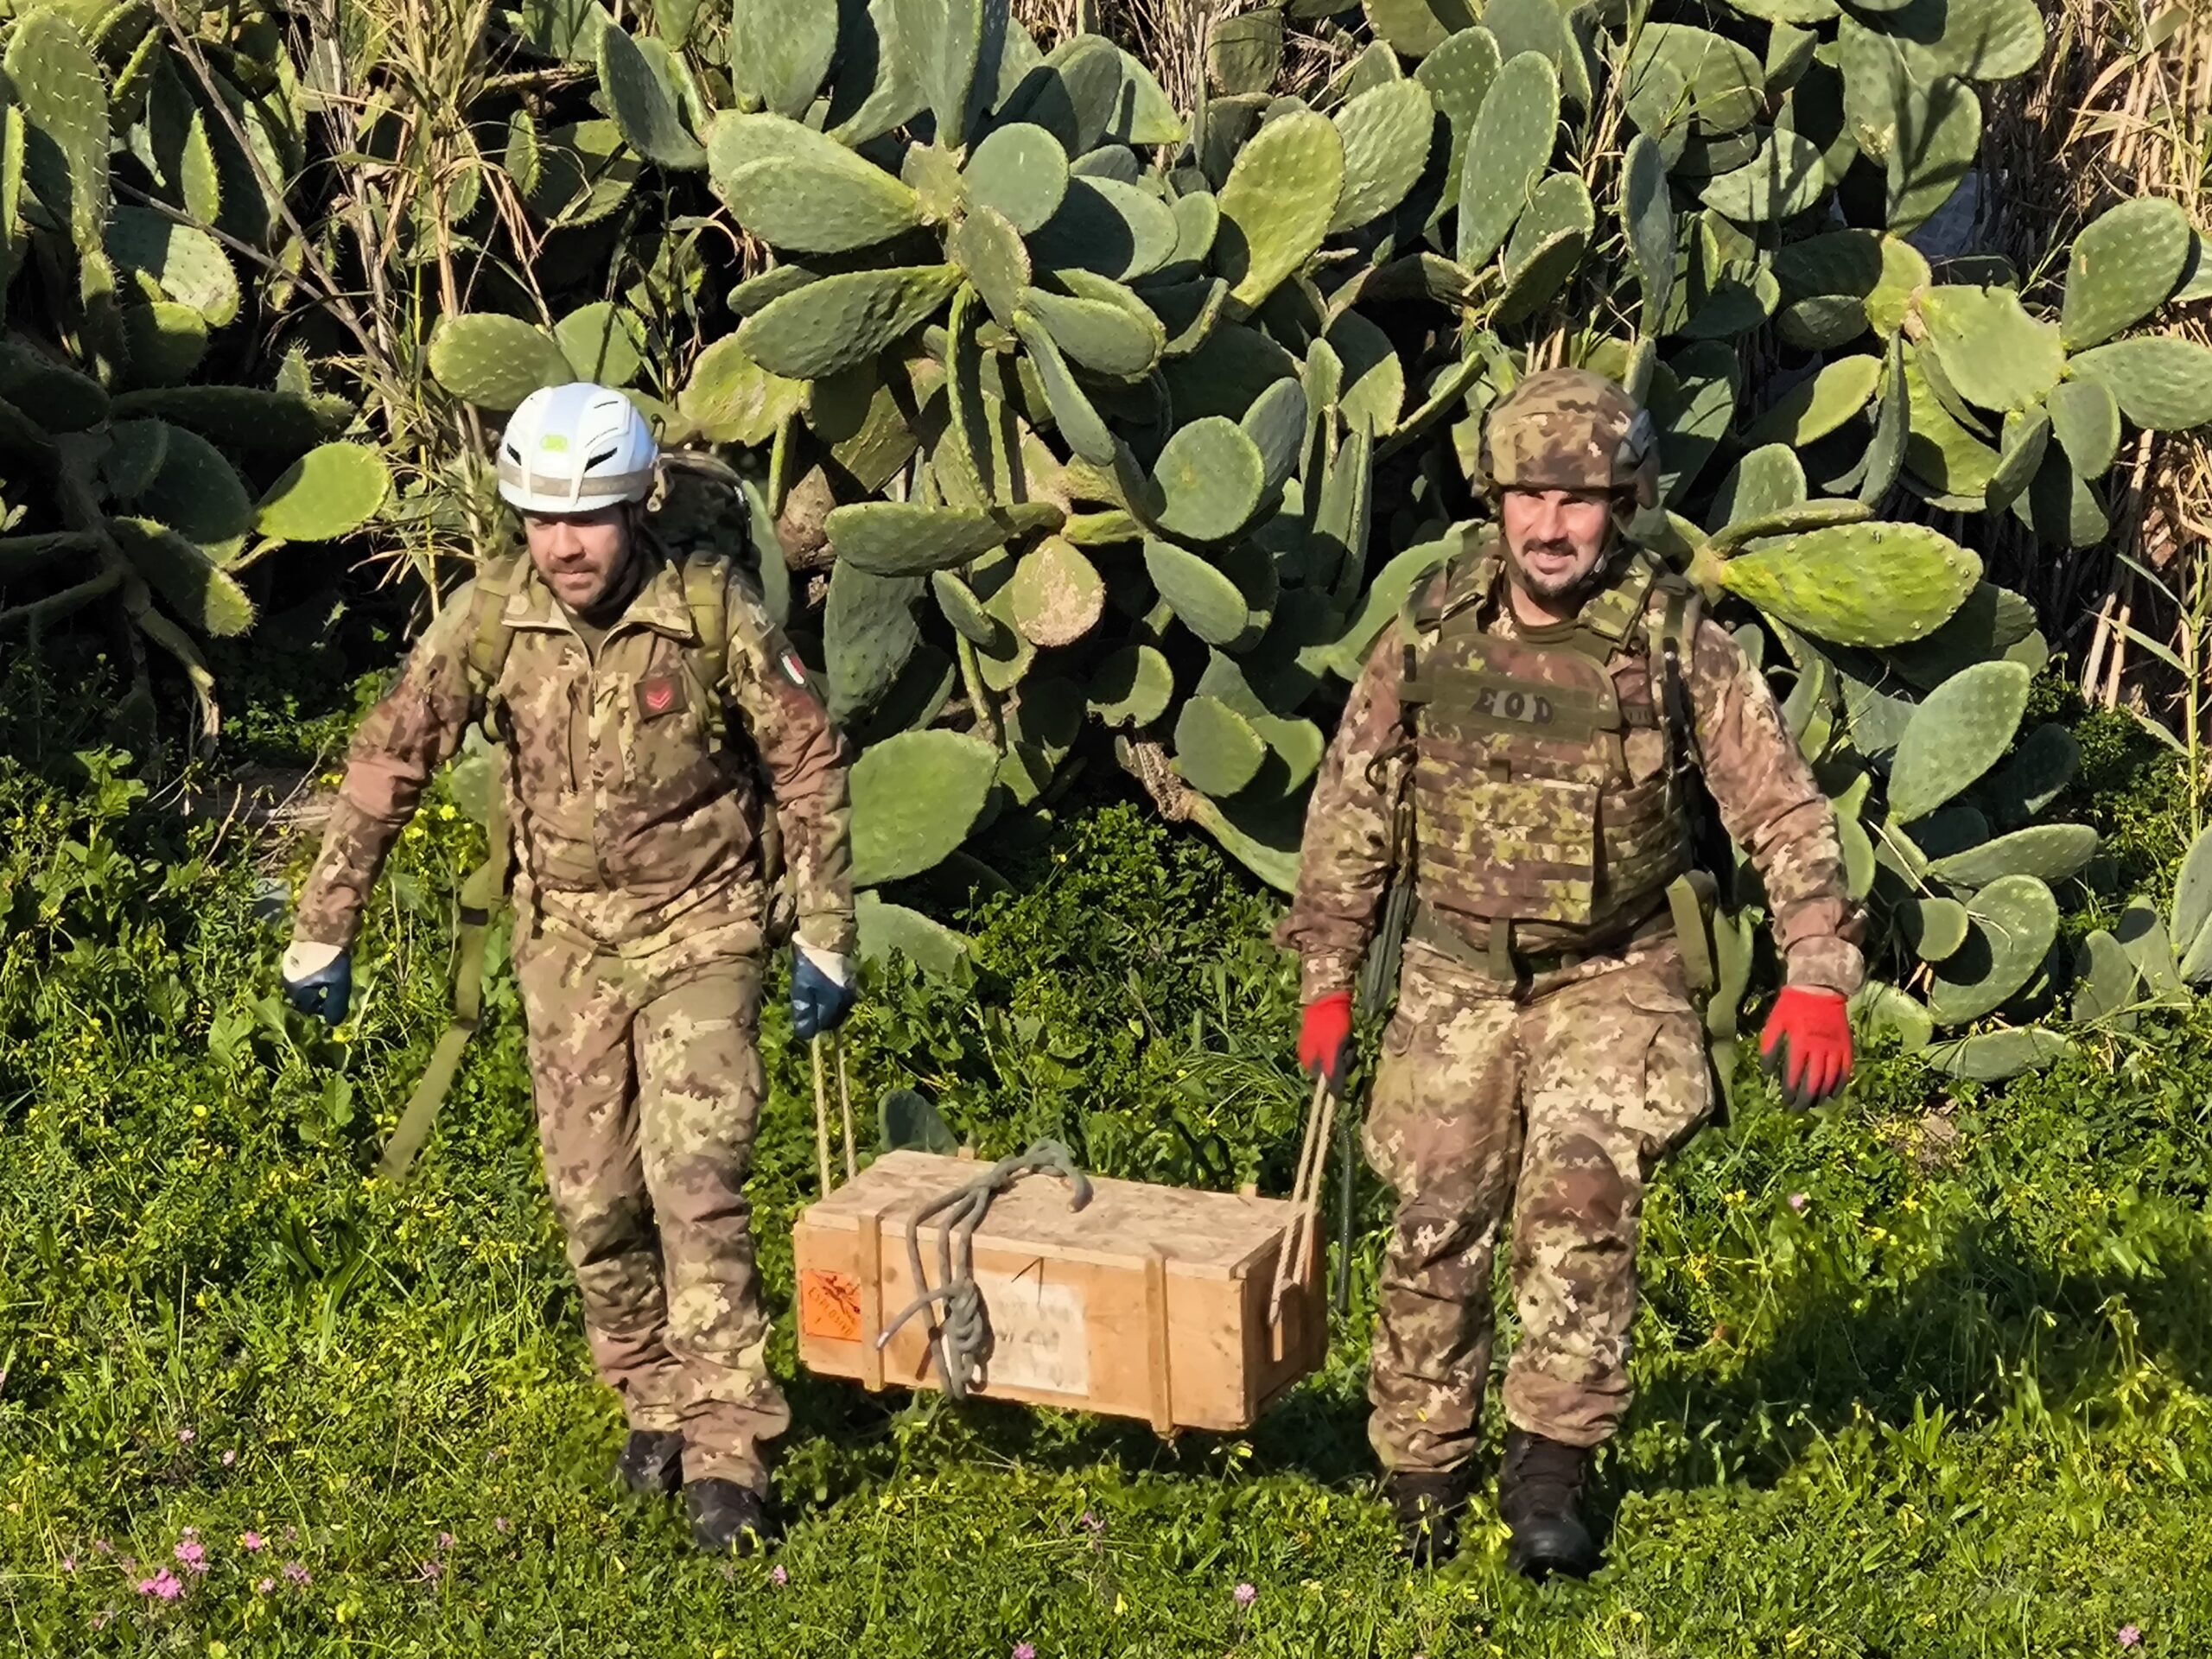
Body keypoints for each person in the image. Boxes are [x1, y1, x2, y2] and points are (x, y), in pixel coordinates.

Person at [1278, 368, 1861, 1580]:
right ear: (1495, 500)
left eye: (1581, 498)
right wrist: (1329, 973)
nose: (1553, 524)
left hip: (1616, 971)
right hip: (1451, 976)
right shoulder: (1431, 626)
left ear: (1627, 500)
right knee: (1435, 1229)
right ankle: (1422, 1473)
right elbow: (1353, 804)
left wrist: (1815, 967)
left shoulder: (1672, 637)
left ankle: (1551, 1473)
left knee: (1580, 1210)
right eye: (1531, 494)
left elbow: (1779, 804)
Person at [279, 383, 855, 1553]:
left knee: (696, 1183)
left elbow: (804, 758)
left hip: (706, 925)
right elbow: (396, 752)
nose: (563, 543)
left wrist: (825, 929)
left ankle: (730, 1442)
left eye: (584, 517)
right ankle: (648, 1390)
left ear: (632, 507)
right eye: (541, 518)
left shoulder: (709, 611)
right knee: (594, 1197)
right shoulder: (493, 617)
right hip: (567, 940)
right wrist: (326, 921)